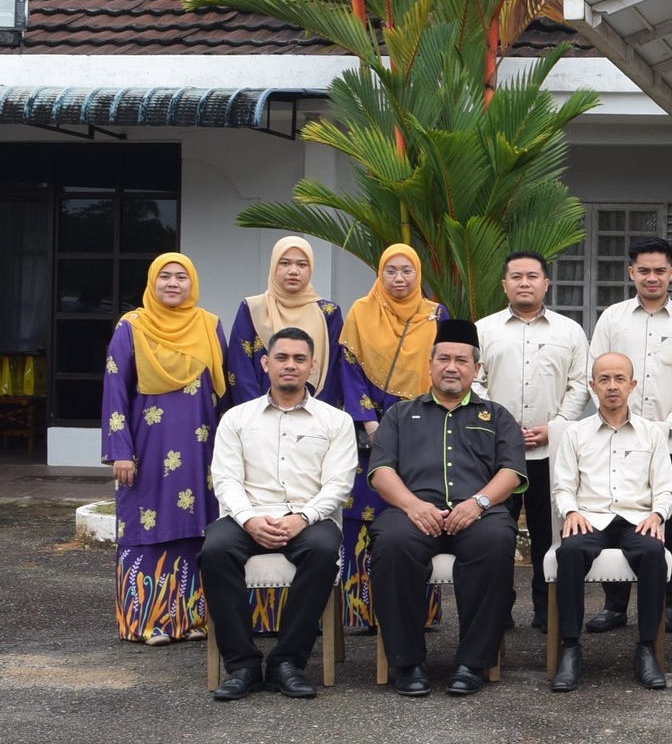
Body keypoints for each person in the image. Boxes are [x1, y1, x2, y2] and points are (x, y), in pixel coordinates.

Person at [365, 319, 527, 697]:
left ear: (476, 369)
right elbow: (381, 471)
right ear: (430, 364)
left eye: (461, 360)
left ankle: (472, 662)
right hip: (413, 514)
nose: (451, 367)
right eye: (443, 359)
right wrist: (412, 505)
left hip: (478, 514)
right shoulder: (400, 415)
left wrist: (478, 502)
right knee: (391, 546)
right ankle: (407, 663)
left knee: (494, 544)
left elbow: (512, 470)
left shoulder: (496, 416)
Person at [200, 327, 356, 699]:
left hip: (308, 518)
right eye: (282, 358)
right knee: (215, 551)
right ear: (266, 363)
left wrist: (302, 518)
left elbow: (339, 483)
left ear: (313, 367)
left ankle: (287, 663)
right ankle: (243, 666)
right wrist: (249, 519)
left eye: (299, 359)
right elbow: (225, 478)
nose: (290, 365)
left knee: (321, 552)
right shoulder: (236, 419)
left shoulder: (336, 421)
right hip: (246, 515)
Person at [101, 253, 228, 644]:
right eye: (165, 277)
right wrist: (120, 449)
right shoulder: (132, 327)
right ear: (152, 284)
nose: (173, 284)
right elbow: (115, 389)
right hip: (147, 448)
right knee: (147, 528)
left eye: (182, 277)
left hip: (200, 449)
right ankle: (145, 622)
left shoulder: (209, 325)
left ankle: (189, 620)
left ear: (193, 284)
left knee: (195, 532)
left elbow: (225, 394)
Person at [587, 235, 672, 633]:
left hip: (669, 437)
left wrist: (667, 424)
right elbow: (598, 371)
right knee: (613, 513)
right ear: (631, 272)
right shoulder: (612, 319)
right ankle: (615, 605)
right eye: (644, 270)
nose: (652, 277)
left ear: (671, 272)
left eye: (660, 270)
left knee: (664, 522)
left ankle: (665, 605)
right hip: (614, 436)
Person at [476, 250, 591, 631]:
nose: (525, 283)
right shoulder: (484, 329)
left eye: (532, 276)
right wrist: (500, 428)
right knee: (494, 533)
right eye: (517, 277)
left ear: (546, 283)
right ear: (504, 284)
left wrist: (556, 425)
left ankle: (546, 609)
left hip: (551, 450)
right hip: (495, 452)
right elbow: (474, 382)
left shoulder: (569, 331)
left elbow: (580, 385)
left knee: (549, 531)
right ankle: (499, 607)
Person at [548, 352, 672, 693]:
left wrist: (657, 514)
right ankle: (571, 649)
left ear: (632, 385)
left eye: (620, 379)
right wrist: (571, 512)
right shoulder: (575, 434)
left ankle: (647, 649)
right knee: (570, 552)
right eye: (604, 379)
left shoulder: (652, 434)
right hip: (590, 519)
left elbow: (665, 488)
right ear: (592, 386)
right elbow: (562, 486)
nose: (612, 386)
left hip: (636, 519)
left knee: (652, 553)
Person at [338, 243, 448, 632]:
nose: (399, 279)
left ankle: (420, 611)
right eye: (391, 271)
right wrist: (370, 423)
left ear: (418, 275)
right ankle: (360, 610)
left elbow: (442, 370)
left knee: (416, 509)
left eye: (407, 271)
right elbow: (349, 370)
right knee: (364, 511)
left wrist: (421, 422)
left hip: (421, 427)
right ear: (380, 274)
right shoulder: (360, 312)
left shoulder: (435, 314)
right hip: (372, 429)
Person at [223, 236, 343, 409]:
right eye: (285, 263)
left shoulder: (328, 313)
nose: (293, 271)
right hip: (259, 415)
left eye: (302, 264)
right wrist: (256, 413)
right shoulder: (253, 308)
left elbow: (333, 371)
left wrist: (317, 413)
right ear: (273, 266)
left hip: (314, 417)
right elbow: (240, 367)